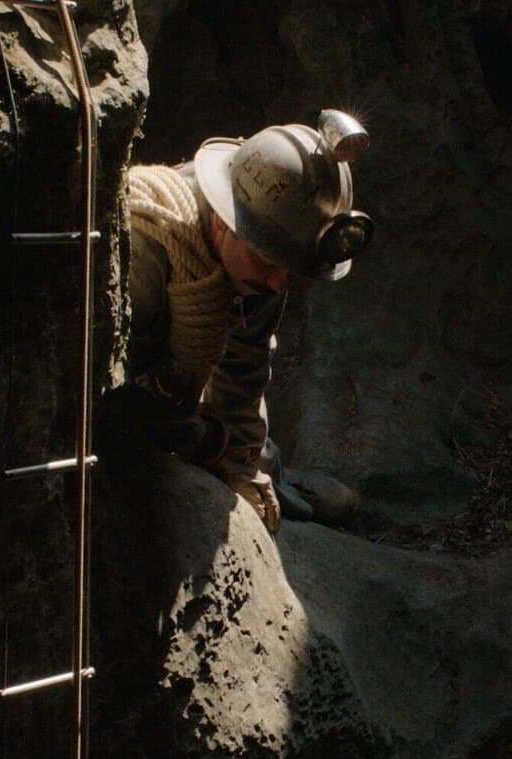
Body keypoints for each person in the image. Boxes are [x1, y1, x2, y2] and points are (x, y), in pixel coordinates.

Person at [123, 110, 373, 533]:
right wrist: (206, 442)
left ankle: (271, 467)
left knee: (250, 456)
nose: (279, 283)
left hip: (185, 415)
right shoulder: (146, 256)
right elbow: (114, 403)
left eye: (292, 269)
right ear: (224, 222)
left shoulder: (268, 249)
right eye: (269, 263)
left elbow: (245, 363)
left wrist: (242, 464)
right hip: (142, 405)